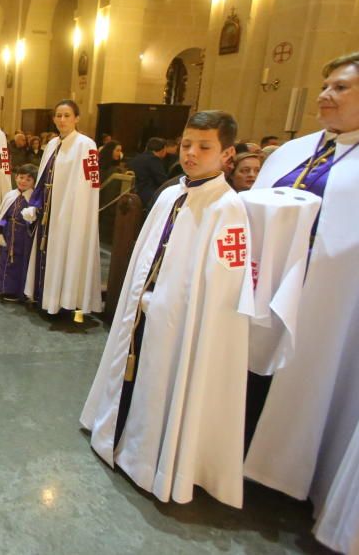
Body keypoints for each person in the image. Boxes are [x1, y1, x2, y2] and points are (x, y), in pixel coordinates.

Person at [81, 110, 253, 508]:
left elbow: (224, 286)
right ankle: (114, 435)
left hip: (180, 322)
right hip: (145, 311)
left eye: (204, 147)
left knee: (163, 384)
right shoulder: (172, 193)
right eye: (188, 144)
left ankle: (147, 461)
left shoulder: (228, 209)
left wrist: (172, 305)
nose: (192, 153)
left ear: (227, 154)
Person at [244, 52, 359, 550]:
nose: (325, 96)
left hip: (325, 302)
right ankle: (243, 458)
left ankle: (289, 475)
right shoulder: (291, 152)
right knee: (252, 376)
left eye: (340, 88)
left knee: (308, 380)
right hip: (263, 291)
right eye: (325, 85)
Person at [21, 100, 103, 316]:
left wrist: (73, 210)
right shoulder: (52, 144)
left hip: (71, 212)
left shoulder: (86, 145)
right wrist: (35, 205)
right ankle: (46, 298)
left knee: (67, 252)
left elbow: (89, 185)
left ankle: (65, 303)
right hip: (49, 212)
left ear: (77, 118)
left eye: (67, 115)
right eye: (58, 115)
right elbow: (42, 179)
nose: (62, 120)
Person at [0, 164, 37, 301]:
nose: (23, 181)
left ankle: (15, 291)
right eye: (21, 177)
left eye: (28, 180)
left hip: (23, 238)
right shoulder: (10, 195)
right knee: (3, 260)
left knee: (18, 263)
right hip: (7, 234)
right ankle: (2, 285)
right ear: (15, 177)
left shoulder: (34, 199)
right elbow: (3, 218)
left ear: (34, 182)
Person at [129, 137, 169, 208]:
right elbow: (162, 181)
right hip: (147, 196)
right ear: (162, 149)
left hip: (133, 192)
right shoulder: (154, 160)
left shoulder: (137, 158)